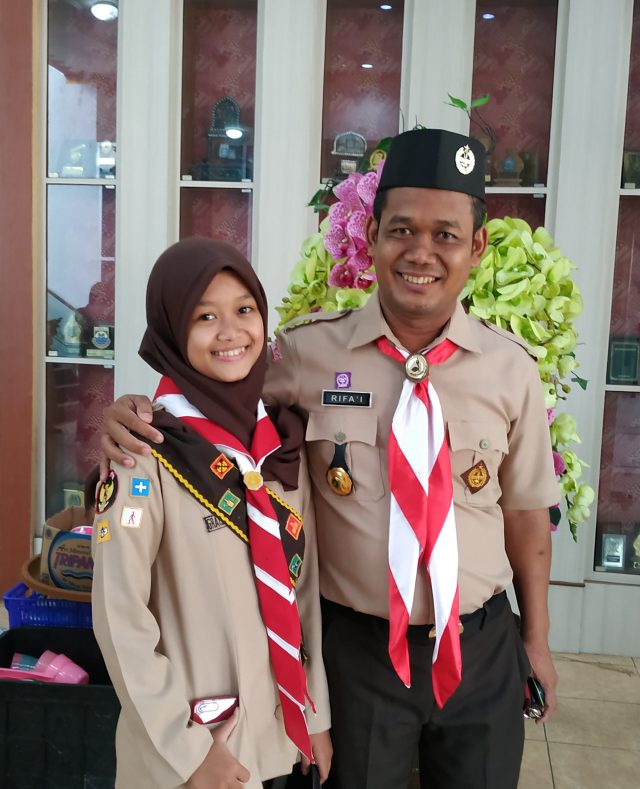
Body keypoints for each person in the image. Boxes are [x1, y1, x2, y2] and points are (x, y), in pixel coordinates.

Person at [99, 128, 559, 789]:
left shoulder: (511, 369)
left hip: (479, 646)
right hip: (359, 653)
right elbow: (211, 390)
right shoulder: (304, 355)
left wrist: (535, 638)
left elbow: (526, 513)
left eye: (446, 235)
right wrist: (128, 412)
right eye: (401, 230)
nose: (421, 252)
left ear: (477, 246)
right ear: (370, 236)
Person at [91, 237, 331, 789]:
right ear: (172, 330)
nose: (230, 332)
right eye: (205, 316)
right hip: (199, 750)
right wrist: (188, 751)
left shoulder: (279, 447)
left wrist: (314, 714)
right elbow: (120, 619)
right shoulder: (142, 453)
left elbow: (304, 592)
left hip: (283, 739)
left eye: (244, 310)